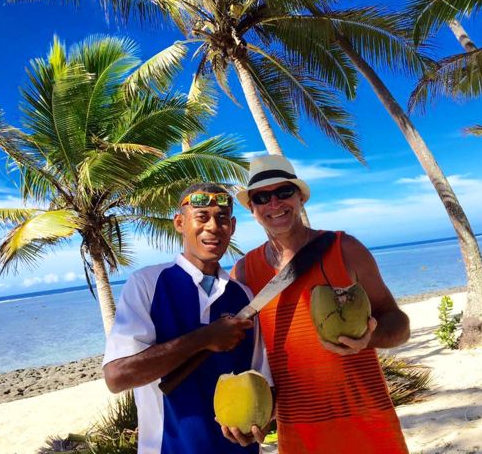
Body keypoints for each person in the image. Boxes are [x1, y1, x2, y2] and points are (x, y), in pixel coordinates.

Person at [229, 155, 411, 453]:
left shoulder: (344, 248)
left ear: (300, 197)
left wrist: (369, 338)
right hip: (300, 434)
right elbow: (247, 355)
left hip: (368, 424)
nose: (274, 204)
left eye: (284, 192)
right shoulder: (245, 271)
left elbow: (399, 325)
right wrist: (254, 413)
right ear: (252, 209)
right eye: (262, 197)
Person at [102, 182, 269, 454]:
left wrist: (259, 427)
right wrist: (205, 338)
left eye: (222, 218)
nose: (213, 227)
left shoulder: (244, 296)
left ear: (233, 227)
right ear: (180, 223)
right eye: (201, 217)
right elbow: (117, 377)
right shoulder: (147, 284)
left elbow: (260, 377)